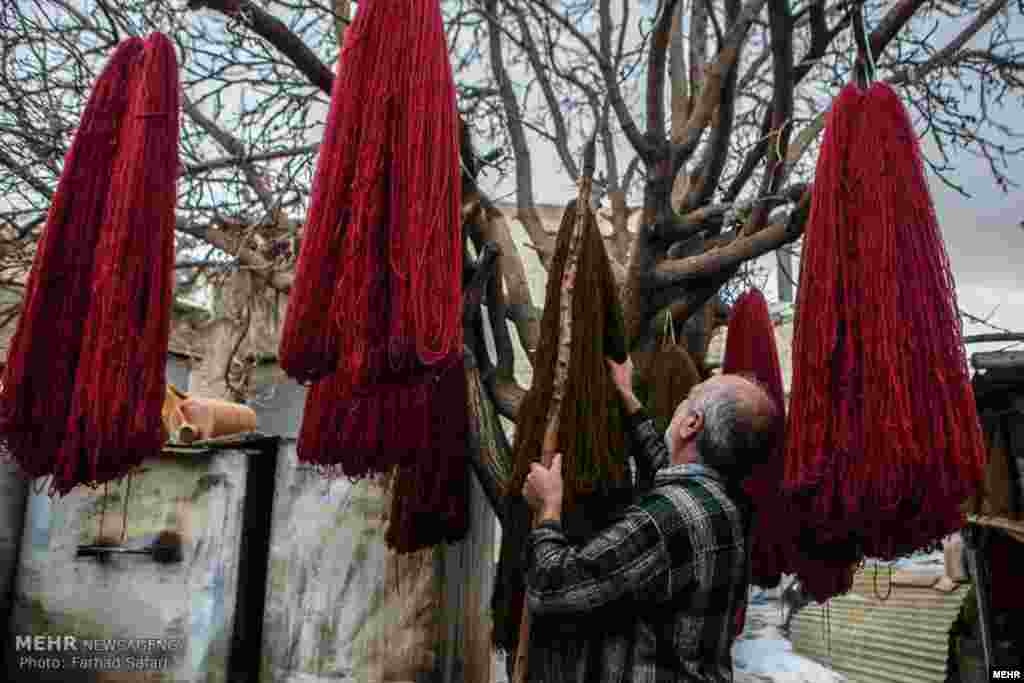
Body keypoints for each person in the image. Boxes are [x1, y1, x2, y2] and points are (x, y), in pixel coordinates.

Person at [521, 355, 781, 682]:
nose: (680, 404)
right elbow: (665, 466)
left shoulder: (665, 519)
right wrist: (628, 397)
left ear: (692, 424)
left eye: (687, 399)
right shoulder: (726, 507)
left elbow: (552, 588)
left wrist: (548, 509)